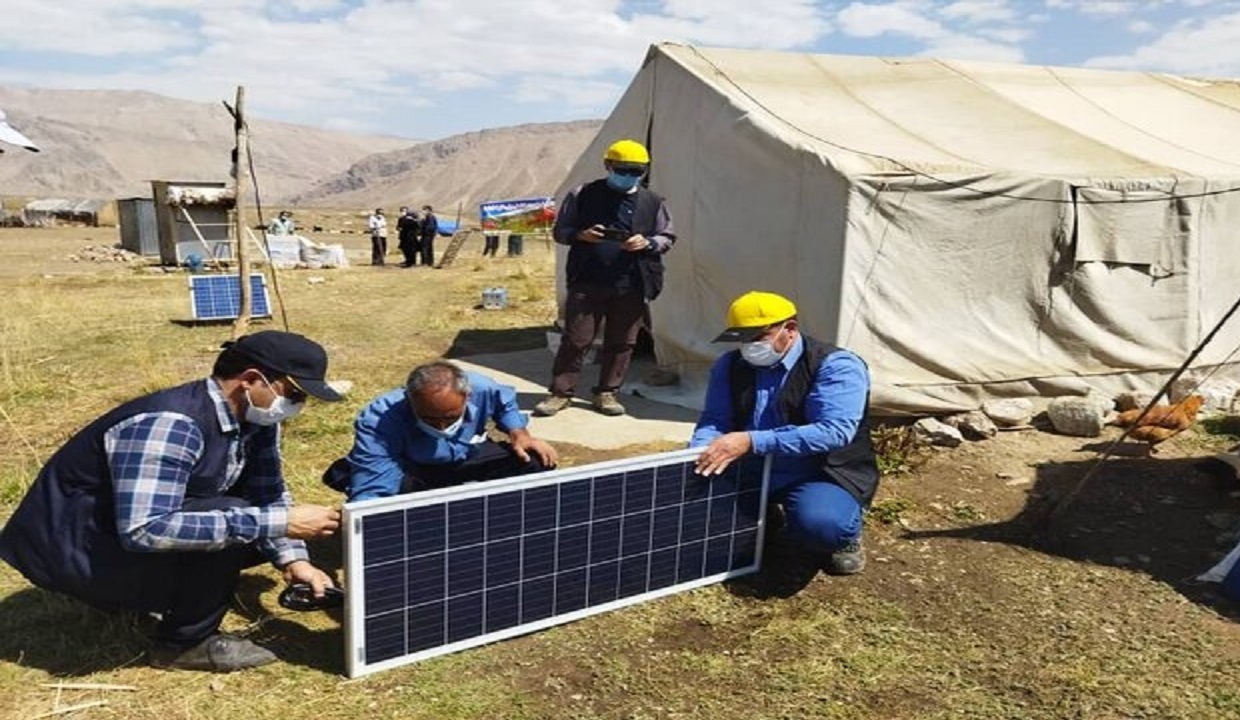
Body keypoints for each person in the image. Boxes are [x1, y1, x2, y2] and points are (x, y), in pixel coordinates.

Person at [0, 331, 346, 672]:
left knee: (249, 520)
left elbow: (268, 493)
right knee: (236, 516)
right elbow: (145, 529)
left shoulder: (256, 419)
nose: (300, 406)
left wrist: (294, 561)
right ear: (251, 380)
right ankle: (184, 644)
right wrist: (279, 523)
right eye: (295, 394)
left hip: (112, 533)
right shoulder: (171, 423)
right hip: (73, 550)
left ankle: (153, 594)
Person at [690, 291, 879, 577]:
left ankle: (845, 536)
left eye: (757, 338)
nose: (748, 347)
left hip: (817, 472)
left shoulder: (835, 366)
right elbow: (715, 419)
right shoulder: (729, 366)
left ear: (789, 329)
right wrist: (698, 452)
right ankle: (768, 517)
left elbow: (833, 431)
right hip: (751, 469)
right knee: (692, 515)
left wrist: (751, 440)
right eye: (742, 339)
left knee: (822, 526)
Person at [533, 139, 676, 418]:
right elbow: (561, 231)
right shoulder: (582, 194)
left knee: (623, 341)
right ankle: (561, 393)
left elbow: (667, 236)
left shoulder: (653, 201)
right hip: (587, 279)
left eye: (637, 171)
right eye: (623, 170)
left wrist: (647, 243)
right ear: (608, 165)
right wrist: (580, 235)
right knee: (576, 339)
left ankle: (607, 392)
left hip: (633, 282)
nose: (630, 176)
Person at [325, 360, 559, 502]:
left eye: (450, 417)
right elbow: (375, 482)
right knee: (382, 488)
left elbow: (504, 404)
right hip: (416, 469)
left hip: (467, 457)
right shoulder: (380, 418)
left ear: (467, 397)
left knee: (536, 460)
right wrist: (370, 521)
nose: (441, 426)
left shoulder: (482, 388)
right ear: (410, 399)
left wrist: (519, 433)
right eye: (428, 418)